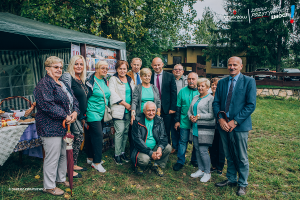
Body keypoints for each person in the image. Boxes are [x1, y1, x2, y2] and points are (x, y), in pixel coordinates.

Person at [34, 56, 80, 196]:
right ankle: (48, 186)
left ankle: (60, 179)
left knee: (62, 154)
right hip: (49, 126)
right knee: (52, 156)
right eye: (55, 67)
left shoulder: (61, 83)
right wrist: (64, 115)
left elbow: (74, 99)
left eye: (60, 67)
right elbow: (47, 105)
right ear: (47, 69)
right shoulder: (44, 84)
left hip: (64, 125)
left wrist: (74, 113)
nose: (59, 70)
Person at [213, 56, 256, 196]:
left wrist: (235, 121)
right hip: (223, 125)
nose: (232, 67)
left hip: (240, 126)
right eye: (230, 64)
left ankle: (242, 183)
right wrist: (220, 119)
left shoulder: (249, 81)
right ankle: (231, 179)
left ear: (241, 66)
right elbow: (216, 103)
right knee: (229, 154)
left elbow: (251, 105)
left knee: (241, 156)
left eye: (235, 65)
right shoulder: (222, 82)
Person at [60, 55, 88, 178]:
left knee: (78, 138)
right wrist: (70, 113)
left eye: (81, 64)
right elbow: (65, 94)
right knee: (73, 138)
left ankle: (73, 164)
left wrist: (81, 116)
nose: (79, 66)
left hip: (78, 114)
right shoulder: (67, 76)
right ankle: (68, 167)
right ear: (72, 65)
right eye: (76, 64)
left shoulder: (81, 79)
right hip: (71, 113)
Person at [131, 101, 172, 177]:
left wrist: (159, 148)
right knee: (144, 160)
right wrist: (150, 153)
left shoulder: (159, 120)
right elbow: (137, 140)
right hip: (141, 150)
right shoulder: (137, 120)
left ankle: (156, 164)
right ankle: (140, 166)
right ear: (144, 111)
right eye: (148, 110)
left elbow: (163, 136)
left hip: (154, 147)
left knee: (168, 147)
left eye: (153, 110)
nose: (151, 113)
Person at [85, 60, 111, 173]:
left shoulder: (104, 80)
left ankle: (90, 158)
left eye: (106, 68)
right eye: (102, 68)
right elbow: (85, 97)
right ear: (96, 68)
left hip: (101, 113)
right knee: (98, 136)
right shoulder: (90, 81)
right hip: (92, 112)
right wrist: (83, 115)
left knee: (91, 136)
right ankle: (96, 162)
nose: (105, 70)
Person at [188, 78, 215, 183]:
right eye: (199, 86)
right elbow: (189, 111)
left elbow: (211, 115)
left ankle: (207, 172)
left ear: (208, 87)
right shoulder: (195, 97)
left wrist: (198, 116)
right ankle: (201, 169)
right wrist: (191, 117)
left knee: (203, 151)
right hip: (195, 128)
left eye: (202, 86)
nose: (200, 88)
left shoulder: (210, 99)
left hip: (205, 129)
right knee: (197, 150)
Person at [109, 60, 135, 165]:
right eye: (120, 68)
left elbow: (134, 93)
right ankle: (117, 155)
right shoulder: (113, 79)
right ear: (117, 69)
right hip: (119, 109)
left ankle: (122, 152)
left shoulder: (130, 79)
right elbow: (112, 93)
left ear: (127, 69)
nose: (122, 71)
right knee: (119, 131)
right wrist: (125, 104)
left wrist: (132, 106)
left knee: (125, 132)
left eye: (124, 68)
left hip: (129, 110)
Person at [172, 72, 199, 171]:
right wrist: (177, 121)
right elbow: (178, 107)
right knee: (183, 142)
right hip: (184, 121)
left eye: (193, 79)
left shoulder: (200, 91)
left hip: (197, 122)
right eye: (189, 79)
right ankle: (180, 161)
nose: (191, 81)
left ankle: (194, 160)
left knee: (196, 142)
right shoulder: (182, 91)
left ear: (197, 79)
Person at [150, 57, 177, 145]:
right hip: (152, 108)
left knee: (166, 130)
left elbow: (174, 92)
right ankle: (155, 147)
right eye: (155, 65)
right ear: (152, 66)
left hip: (167, 108)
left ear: (162, 64)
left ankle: (166, 149)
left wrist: (173, 107)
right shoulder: (149, 77)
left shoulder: (170, 76)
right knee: (154, 129)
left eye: (158, 65)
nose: (157, 67)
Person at [208, 77, 225, 176]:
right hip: (210, 125)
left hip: (220, 125)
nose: (214, 86)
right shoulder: (209, 96)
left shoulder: (223, 98)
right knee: (212, 146)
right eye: (213, 84)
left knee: (220, 147)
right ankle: (213, 165)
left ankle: (220, 167)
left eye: (216, 84)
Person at [170, 64, 187, 154]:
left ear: (183, 71)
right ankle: (175, 146)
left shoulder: (187, 80)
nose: (178, 71)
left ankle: (183, 146)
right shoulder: (170, 79)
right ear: (173, 71)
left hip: (184, 107)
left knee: (183, 127)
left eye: (180, 69)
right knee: (174, 128)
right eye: (175, 69)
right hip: (173, 107)